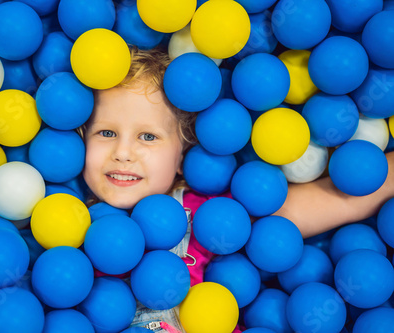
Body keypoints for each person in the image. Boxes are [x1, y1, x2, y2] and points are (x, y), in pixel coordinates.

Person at [77, 47, 394, 332]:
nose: (123, 152)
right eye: (106, 132)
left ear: (181, 157)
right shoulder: (69, 223)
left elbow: (296, 212)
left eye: (148, 137)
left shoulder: (200, 211)